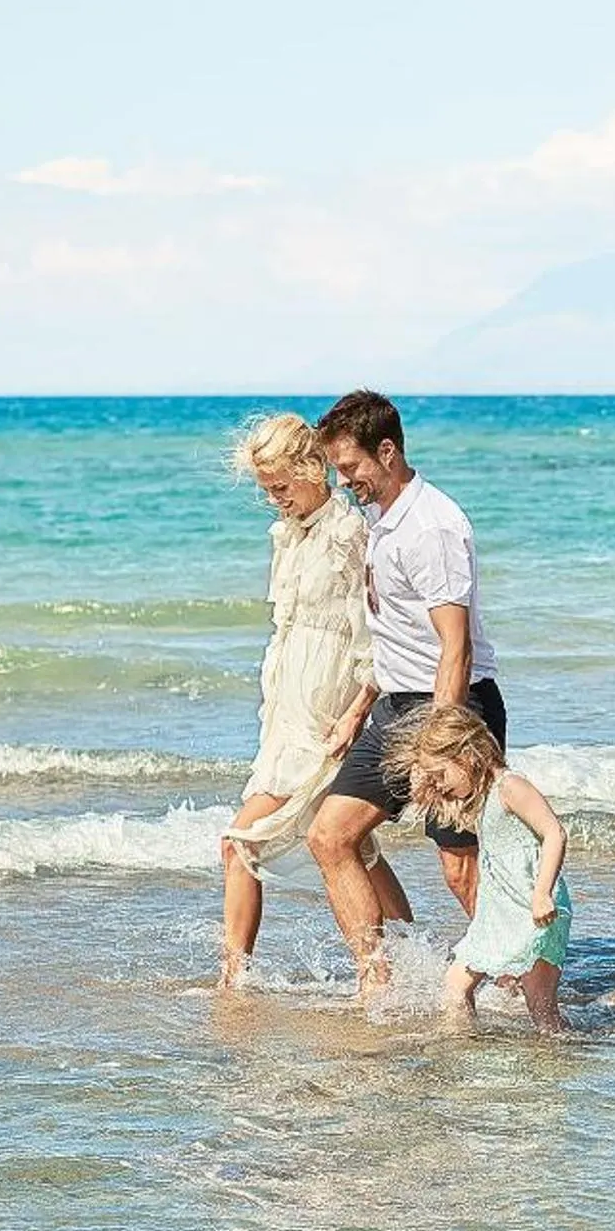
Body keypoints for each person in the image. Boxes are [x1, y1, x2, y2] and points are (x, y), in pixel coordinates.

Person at [304, 390, 510, 1000]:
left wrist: (441, 746)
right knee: (331, 835)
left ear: (387, 451)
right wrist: (358, 711)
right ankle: (379, 984)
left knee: (461, 868)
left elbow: (456, 647)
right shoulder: (383, 518)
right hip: (398, 706)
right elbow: (393, 633)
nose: (346, 484)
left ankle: (517, 980)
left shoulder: (433, 527)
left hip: (454, 709)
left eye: (351, 469)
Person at [212, 413, 386, 988]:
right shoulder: (292, 535)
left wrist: (355, 715)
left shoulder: (348, 534)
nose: (275, 501)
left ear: (314, 469)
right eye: (267, 492)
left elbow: (372, 639)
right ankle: (409, 962)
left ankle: (233, 979)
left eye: (281, 488)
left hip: (325, 719)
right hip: (285, 718)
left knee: (240, 844)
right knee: (355, 853)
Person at [389, 702, 571, 1034]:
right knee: (456, 986)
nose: (440, 785)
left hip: (532, 909)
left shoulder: (510, 787)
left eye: (441, 775)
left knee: (540, 1004)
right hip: (498, 913)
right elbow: (429, 800)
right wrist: (428, 782)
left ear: (468, 755)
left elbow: (554, 833)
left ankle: (564, 1056)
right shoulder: (479, 794)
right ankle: (464, 1047)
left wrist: (543, 893)